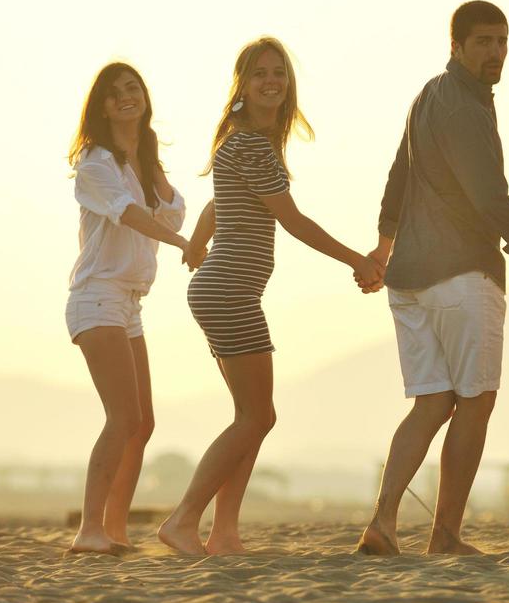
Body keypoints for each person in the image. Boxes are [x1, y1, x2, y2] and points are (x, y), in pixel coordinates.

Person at [356, 1, 509, 557]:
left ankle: (383, 522)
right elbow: (489, 199)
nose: (495, 52)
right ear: (455, 45)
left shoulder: (427, 96)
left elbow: (397, 176)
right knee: (475, 401)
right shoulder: (465, 109)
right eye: (482, 42)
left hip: (409, 278)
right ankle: (446, 534)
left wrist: (385, 244)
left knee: (432, 403)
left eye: (502, 41)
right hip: (460, 275)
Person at [157, 37, 383, 556]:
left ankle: (224, 532)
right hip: (230, 289)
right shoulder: (251, 146)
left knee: (252, 414)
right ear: (242, 83)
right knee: (257, 417)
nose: (271, 81)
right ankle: (183, 520)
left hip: (225, 287)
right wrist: (358, 260)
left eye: (278, 73)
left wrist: (197, 239)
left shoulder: (243, 143)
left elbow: (220, 202)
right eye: (260, 73)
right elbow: (294, 220)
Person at [65, 61, 188, 555]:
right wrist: (180, 241)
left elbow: (170, 206)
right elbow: (133, 216)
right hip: (97, 296)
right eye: (115, 93)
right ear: (102, 106)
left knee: (143, 422)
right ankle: (88, 529)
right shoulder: (95, 164)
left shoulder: (145, 161)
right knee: (122, 417)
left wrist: (149, 160)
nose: (126, 97)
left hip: (130, 302)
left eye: (133, 88)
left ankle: (113, 531)